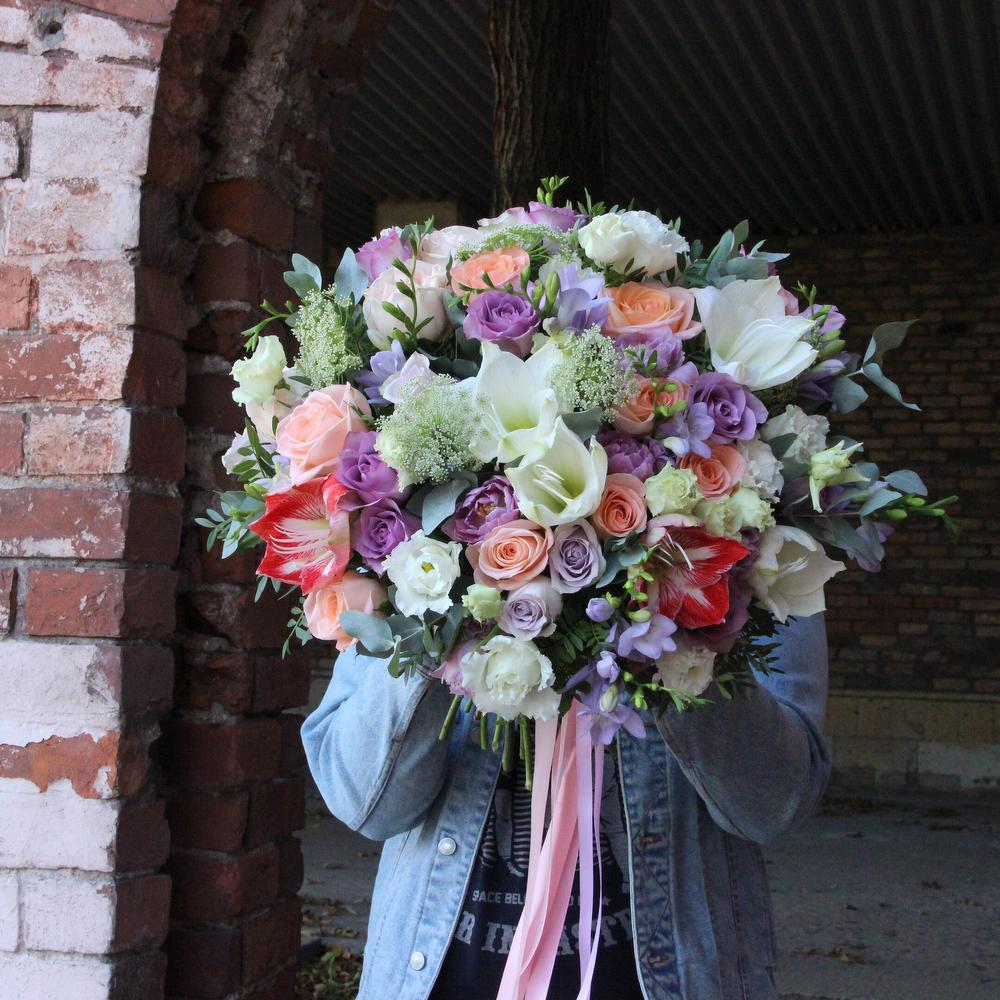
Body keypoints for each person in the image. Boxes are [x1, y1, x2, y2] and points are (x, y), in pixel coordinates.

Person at [302, 613, 831, 1000]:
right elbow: (363, 803)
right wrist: (435, 619)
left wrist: (679, 633)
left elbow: (773, 805)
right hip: (438, 971)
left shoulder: (754, 530)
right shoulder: (402, 528)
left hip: (672, 975)